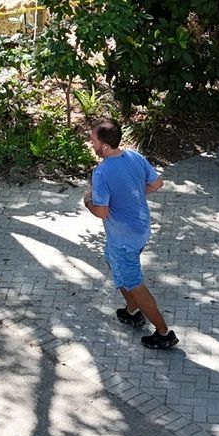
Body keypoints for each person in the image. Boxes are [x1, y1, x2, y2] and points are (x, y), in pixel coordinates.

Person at [82, 117, 178, 350]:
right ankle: (132, 310)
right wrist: (132, 194)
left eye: (93, 140)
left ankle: (164, 333)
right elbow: (156, 184)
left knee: (134, 282)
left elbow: (102, 212)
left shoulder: (102, 172)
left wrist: (87, 202)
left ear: (104, 146)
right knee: (111, 260)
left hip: (124, 238)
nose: (90, 144)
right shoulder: (134, 156)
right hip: (140, 230)